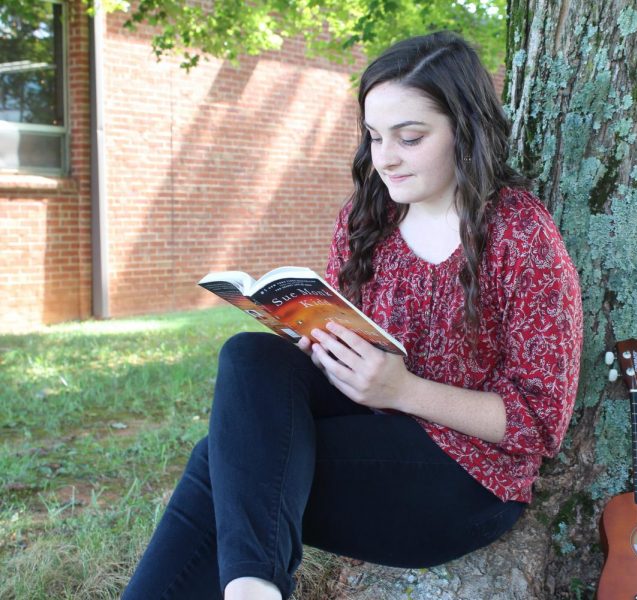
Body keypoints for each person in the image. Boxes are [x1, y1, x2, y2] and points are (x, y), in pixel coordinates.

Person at [122, 31, 583, 600]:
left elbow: (540, 424)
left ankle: (253, 586)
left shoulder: (519, 235)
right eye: (374, 136)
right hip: (372, 429)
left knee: (223, 463)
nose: (385, 157)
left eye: (410, 138)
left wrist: (401, 390)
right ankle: (255, 588)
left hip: (468, 480)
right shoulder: (367, 218)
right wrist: (313, 341)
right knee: (249, 356)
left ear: (465, 130)